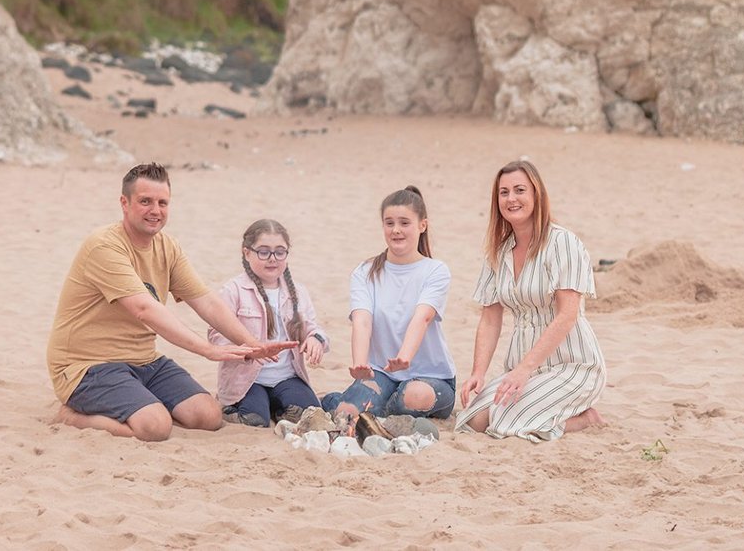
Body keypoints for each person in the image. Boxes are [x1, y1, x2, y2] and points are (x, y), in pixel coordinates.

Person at [47, 163, 297, 441]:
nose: (155, 210)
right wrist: (206, 349)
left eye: (162, 203)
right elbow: (145, 309)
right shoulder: (104, 246)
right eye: (145, 201)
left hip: (143, 360)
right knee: (155, 427)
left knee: (208, 416)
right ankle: (72, 416)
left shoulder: (167, 246)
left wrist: (252, 344)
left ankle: (138, 401)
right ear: (124, 203)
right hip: (87, 365)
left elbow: (205, 301)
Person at [455, 159, 606, 440]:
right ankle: (549, 407)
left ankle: (586, 419)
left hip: (572, 365)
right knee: (474, 419)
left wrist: (525, 370)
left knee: (504, 423)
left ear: (537, 194)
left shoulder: (563, 243)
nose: (511, 198)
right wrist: (479, 372)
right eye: (504, 192)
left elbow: (567, 315)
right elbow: (490, 319)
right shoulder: (498, 253)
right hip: (522, 369)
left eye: (519, 190)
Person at [321, 186, 456, 422]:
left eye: (404, 223)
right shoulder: (365, 272)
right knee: (347, 413)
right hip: (382, 373)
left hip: (431, 378)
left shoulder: (435, 270)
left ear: (422, 225)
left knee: (412, 396)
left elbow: (422, 318)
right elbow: (362, 321)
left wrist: (404, 357)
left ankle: (375, 408)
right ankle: (349, 402)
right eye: (389, 223)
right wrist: (360, 363)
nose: (396, 230)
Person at [209, 219, 329, 428]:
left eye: (280, 252)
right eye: (263, 252)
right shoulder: (233, 290)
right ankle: (245, 405)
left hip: (287, 377)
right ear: (247, 253)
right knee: (255, 420)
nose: (272, 259)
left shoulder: (297, 292)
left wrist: (315, 340)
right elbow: (216, 336)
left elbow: (313, 327)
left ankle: (278, 405)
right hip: (247, 381)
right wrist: (248, 350)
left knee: (309, 414)